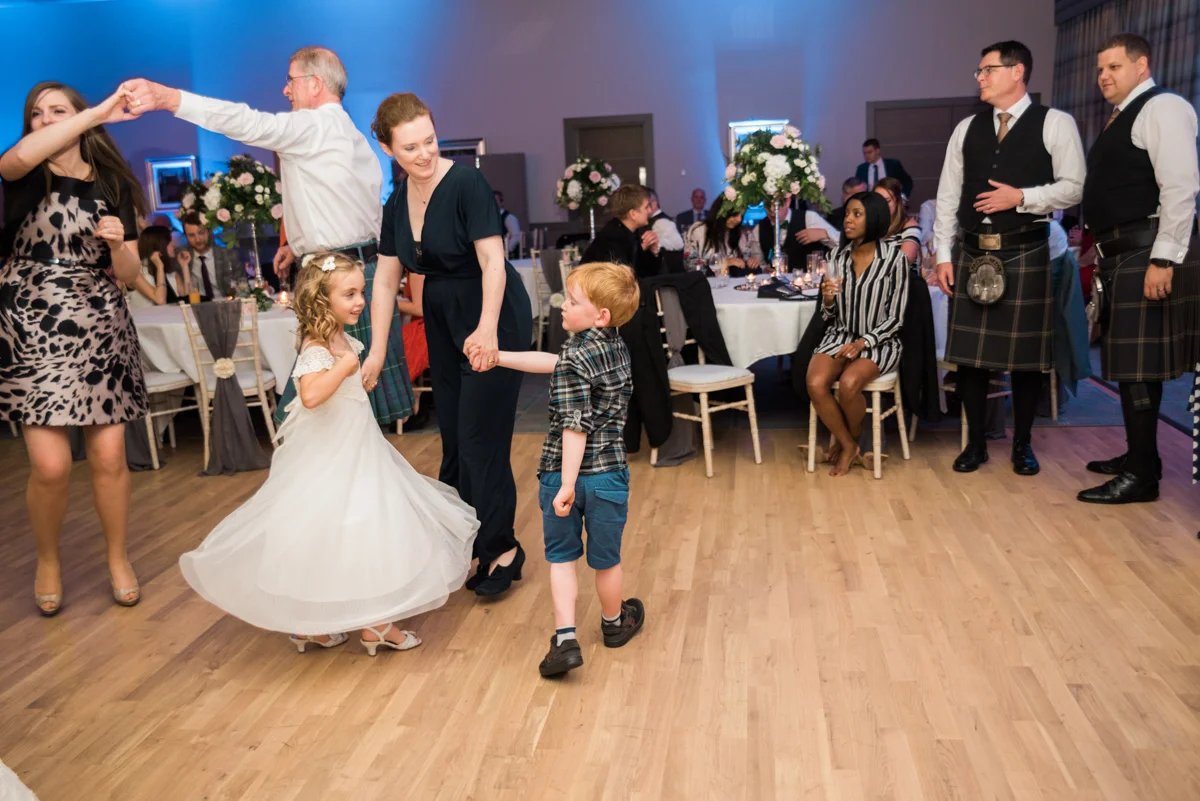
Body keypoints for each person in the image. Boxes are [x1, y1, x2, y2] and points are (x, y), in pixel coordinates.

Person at [178, 252, 479, 655]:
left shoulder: (339, 337)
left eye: (361, 292)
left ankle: (318, 626)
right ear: (323, 299)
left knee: (349, 529)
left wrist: (356, 377)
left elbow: (337, 388)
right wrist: (347, 366)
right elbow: (311, 395)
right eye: (349, 294)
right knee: (354, 527)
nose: (360, 301)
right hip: (333, 454)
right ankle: (375, 624)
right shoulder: (317, 344)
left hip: (355, 443)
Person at [124, 47, 415, 428]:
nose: (285, 90)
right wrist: (299, 244)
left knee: (323, 413)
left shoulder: (312, 126)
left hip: (336, 279)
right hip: (359, 271)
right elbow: (355, 212)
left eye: (290, 80)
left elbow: (246, 122)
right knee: (349, 409)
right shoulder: (351, 134)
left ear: (315, 83)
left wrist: (169, 98)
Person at [373, 92, 532, 597]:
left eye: (430, 141)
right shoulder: (396, 203)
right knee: (456, 441)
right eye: (410, 147)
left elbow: (492, 261)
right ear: (387, 149)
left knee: (481, 437)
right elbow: (385, 281)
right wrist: (376, 350)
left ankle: (502, 548)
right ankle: (467, 543)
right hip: (442, 319)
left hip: (491, 311)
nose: (424, 154)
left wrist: (486, 328)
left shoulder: (465, 183)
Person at [0, 81, 148, 615]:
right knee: (52, 466)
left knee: (109, 457)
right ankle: (47, 560)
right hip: (31, 322)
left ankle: (117, 558)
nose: (44, 120)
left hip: (100, 321)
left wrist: (116, 244)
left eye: (57, 111)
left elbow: (128, 273)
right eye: (36, 114)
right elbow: (16, 159)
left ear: (79, 117)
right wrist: (94, 114)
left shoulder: (113, 182)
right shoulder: (23, 171)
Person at [933, 40, 1086, 476]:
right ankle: (975, 444)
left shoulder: (1055, 123)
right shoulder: (966, 128)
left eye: (988, 70)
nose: (980, 78)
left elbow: (1075, 187)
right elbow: (948, 195)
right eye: (979, 71)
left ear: (1017, 72)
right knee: (970, 358)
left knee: (1026, 359)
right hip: (971, 251)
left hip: (1025, 250)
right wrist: (942, 254)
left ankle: (1022, 444)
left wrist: (1022, 197)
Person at [486, 262, 645, 677]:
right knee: (607, 561)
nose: (562, 305)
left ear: (600, 315)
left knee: (562, 558)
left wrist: (568, 485)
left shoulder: (575, 356)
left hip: (564, 476)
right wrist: (498, 356)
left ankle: (565, 640)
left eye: (572, 301)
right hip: (608, 476)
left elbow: (575, 426)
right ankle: (614, 623)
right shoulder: (615, 345)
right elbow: (556, 362)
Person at [1077, 33, 1200, 505]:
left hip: (1148, 253)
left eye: (1114, 66)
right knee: (1131, 368)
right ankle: (1140, 457)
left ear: (1142, 65)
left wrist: (1164, 258)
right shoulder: (1125, 114)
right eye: (1100, 68)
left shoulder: (1162, 107)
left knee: (1138, 369)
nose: (1104, 76)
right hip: (1124, 253)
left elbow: (1180, 188)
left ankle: (1142, 476)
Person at [806, 192, 909, 477]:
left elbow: (896, 318)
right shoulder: (835, 257)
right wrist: (828, 300)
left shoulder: (895, 260)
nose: (848, 220)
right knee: (815, 383)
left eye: (856, 214)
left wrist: (864, 342)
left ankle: (847, 443)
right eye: (847, 214)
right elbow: (829, 315)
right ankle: (850, 445)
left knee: (850, 383)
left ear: (873, 218)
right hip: (840, 335)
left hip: (879, 342)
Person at [581, 184, 662, 278]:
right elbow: (625, 280)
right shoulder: (612, 239)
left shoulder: (631, 231)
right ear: (633, 214)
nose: (650, 211)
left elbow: (646, 274)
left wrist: (654, 251)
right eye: (646, 207)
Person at [685, 197, 762, 276]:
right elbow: (690, 265)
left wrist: (750, 260)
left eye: (741, 215)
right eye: (735, 215)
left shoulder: (737, 232)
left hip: (733, 280)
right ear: (722, 212)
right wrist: (724, 263)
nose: (739, 219)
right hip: (707, 281)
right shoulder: (700, 230)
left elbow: (744, 255)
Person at [127, 224, 192, 307]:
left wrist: (184, 266)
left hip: (174, 314)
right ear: (158, 245)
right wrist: (159, 267)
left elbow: (188, 299)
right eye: (169, 240)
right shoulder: (137, 272)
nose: (174, 244)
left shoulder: (171, 273)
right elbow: (160, 300)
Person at [180, 211, 239, 301]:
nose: (197, 239)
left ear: (209, 232)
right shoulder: (182, 257)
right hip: (197, 306)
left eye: (201, 233)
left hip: (226, 303)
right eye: (191, 235)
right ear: (186, 236)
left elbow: (242, 286)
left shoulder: (228, 255)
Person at [874, 177, 922, 265]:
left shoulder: (910, 227)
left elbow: (903, 263)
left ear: (897, 201)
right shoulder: (870, 227)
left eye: (888, 201)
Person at [494, 190, 522, 258]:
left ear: (501, 202)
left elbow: (516, 237)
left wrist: (506, 251)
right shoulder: (491, 218)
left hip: (508, 257)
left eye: (495, 200)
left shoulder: (509, 218)